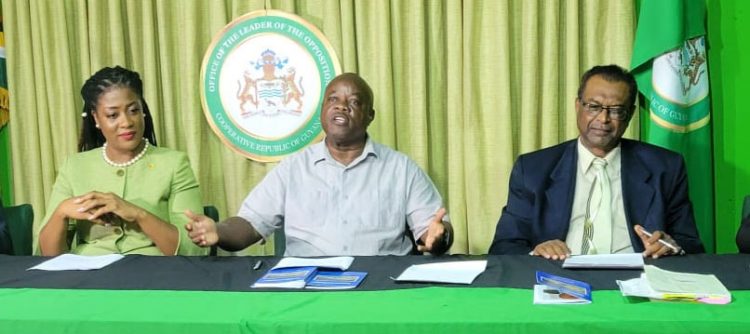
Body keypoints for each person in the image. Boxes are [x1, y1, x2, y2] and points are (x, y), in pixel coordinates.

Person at [185, 73, 452, 256]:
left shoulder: (401, 169)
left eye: (354, 102)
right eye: (333, 99)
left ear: (370, 115)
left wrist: (440, 237)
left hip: (380, 285)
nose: (342, 107)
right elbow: (250, 224)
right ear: (323, 109)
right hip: (306, 286)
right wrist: (218, 231)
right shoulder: (293, 168)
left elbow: (433, 231)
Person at [488, 64, 704, 259]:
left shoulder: (665, 167)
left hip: (638, 276)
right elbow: (504, 246)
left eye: (616, 110)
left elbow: (690, 244)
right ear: (577, 106)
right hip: (560, 276)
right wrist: (538, 250)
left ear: (629, 116)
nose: (603, 119)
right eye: (593, 106)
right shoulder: (534, 169)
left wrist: (670, 246)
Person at [38, 66, 205, 256]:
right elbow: (48, 257)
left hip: (154, 274)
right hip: (89, 277)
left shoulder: (174, 164)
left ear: (143, 111)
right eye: (112, 115)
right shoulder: (74, 167)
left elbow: (192, 251)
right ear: (96, 119)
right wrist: (61, 213)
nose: (126, 122)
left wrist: (138, 214)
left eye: (133, 110)